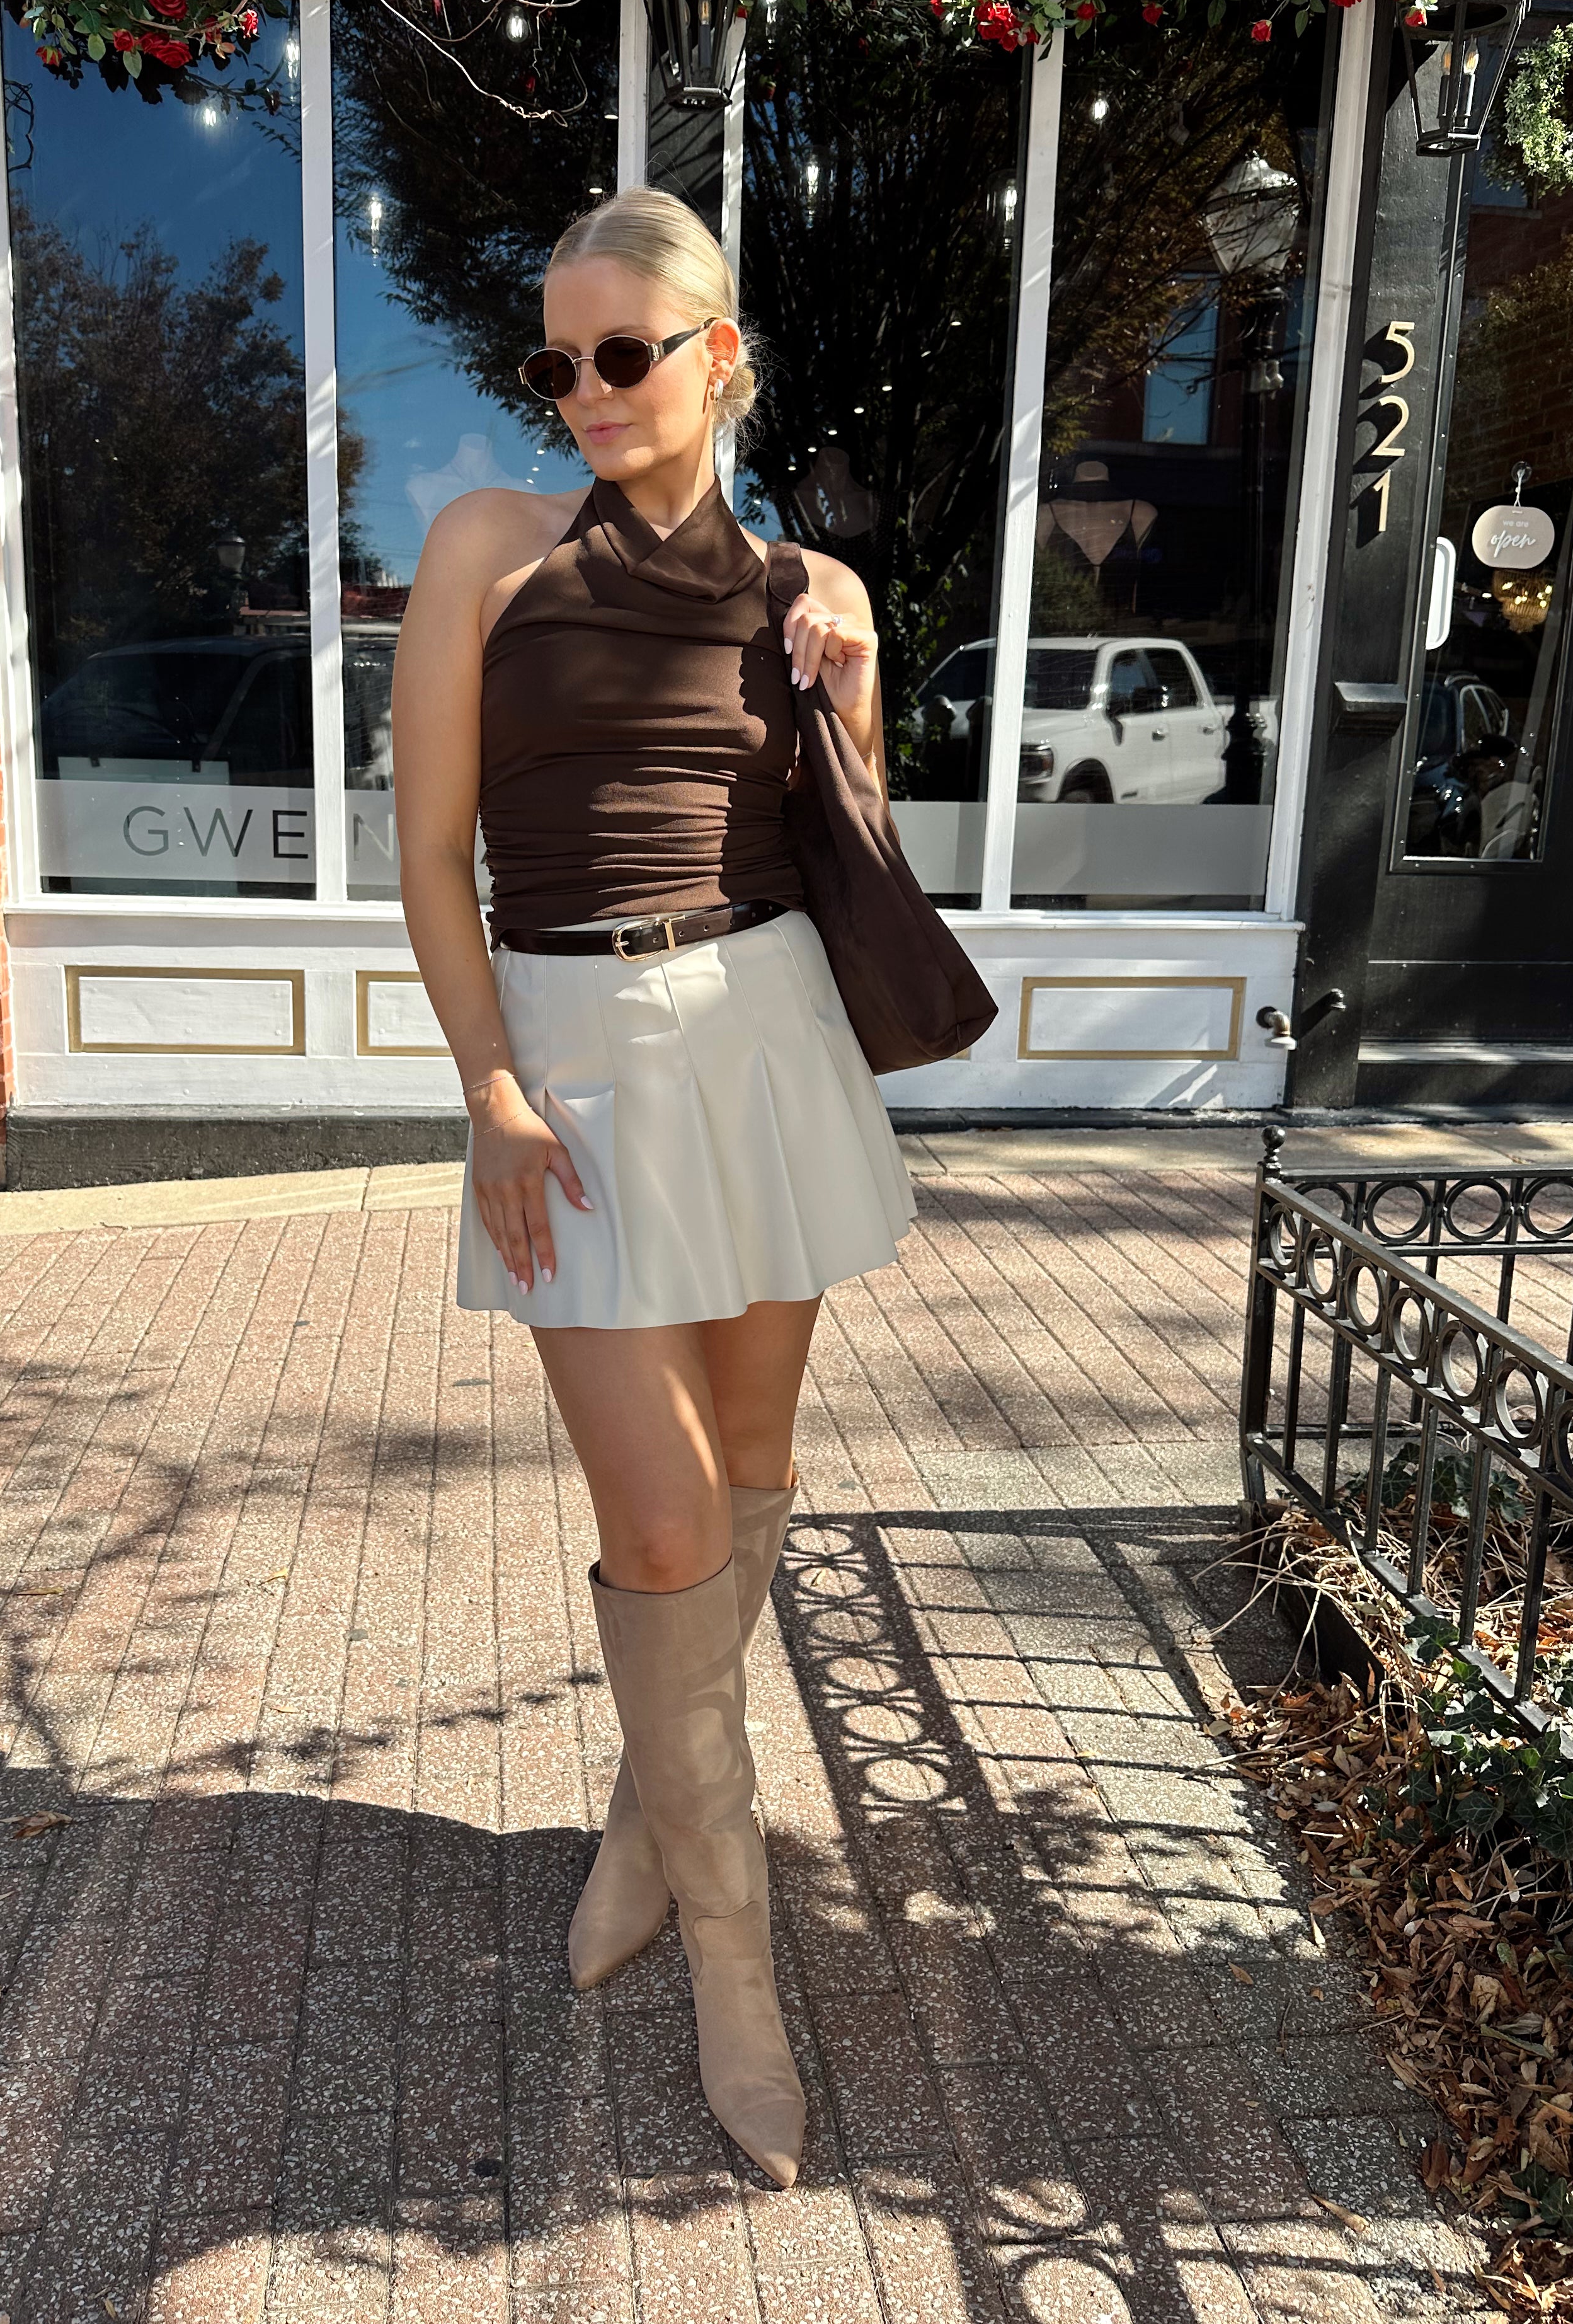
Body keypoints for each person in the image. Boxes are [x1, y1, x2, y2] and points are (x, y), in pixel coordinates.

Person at [392, 185, 915, 2189]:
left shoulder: (808, 578)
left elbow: (846, 837)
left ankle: (647, 1812)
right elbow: (436, 855)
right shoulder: (484, 551)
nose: (587, 390)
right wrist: (491, 1090)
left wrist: (857, 673)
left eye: (627, 351)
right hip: (578, 1070)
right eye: (558, 359)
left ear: (721, 359)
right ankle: (736, 1946)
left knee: (753, 1468)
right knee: (670, 1511)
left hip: (765, 1039)